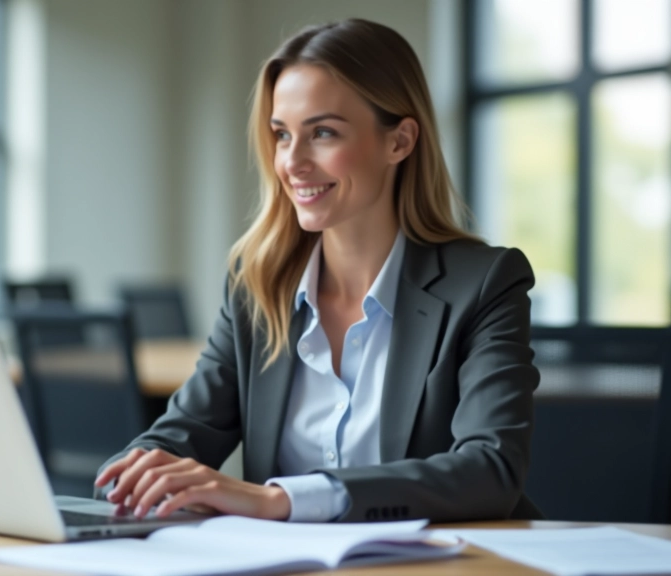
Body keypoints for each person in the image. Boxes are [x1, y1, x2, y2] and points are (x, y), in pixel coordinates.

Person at [94, 18, 542, 523]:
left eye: (323, 133)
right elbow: (181, 432)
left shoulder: (483, 284)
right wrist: (130, 480)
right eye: (282, 135)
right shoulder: (257, 283)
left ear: (400, 141)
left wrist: (279, 500)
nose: (293, 162)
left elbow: (490, 470)